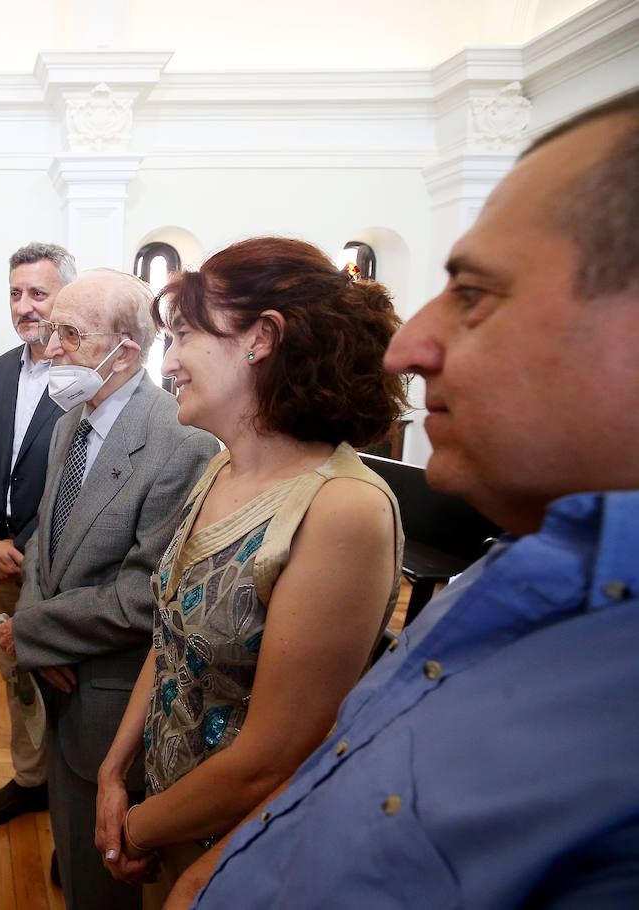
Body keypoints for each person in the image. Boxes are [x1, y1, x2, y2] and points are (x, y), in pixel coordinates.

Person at [182, 88, 639, 909]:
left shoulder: (344, 507)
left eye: (473, 292)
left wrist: (154, 836)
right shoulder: (529, 574)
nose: (407, 345)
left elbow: (279, 750)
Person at [93, 238, 406, 905]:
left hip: (242, 852)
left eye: (182, 337)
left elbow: (273, 760)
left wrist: (135, 829)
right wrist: (114, 771)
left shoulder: (340, 508)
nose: (168, 361)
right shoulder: (221, 468)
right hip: (169, 816)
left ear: (260, 338)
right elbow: (172, 634)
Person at [3, 268, 219, 909]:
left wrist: (30, 629)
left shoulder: (181, 443)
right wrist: (42, 636)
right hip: (60, 678)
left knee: (112, 883)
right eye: (51, 332)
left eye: (68, 333)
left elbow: (146, 594)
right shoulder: (74, 420)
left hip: (113, 699)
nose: (51, 348)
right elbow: (45, 535)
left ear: (125, 350)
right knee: (75, 859)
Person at [0, 242, 74, 827]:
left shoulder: (87, 377)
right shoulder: (1, 371)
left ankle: (71, 803)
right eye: (15, 293)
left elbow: (80, 484)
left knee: (65, 683)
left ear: (65, 298)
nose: (25, 306)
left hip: (59, 569)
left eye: (38, 292)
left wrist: (27, 549)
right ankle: (31, 780)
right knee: (17, 676)